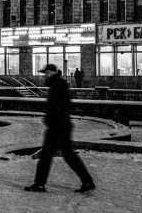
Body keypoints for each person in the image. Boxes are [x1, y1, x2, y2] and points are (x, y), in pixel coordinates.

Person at [24, 64, 95, 194]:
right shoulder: (59, 84)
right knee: (69, 155)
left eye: (45, 73)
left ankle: (39, 184)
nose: (44, 76)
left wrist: (51, 119)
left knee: (46, 155)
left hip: (57, 126)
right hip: (62, 125)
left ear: (50, 73)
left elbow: (57, 106)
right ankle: (87, 180)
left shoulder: (57, 85)